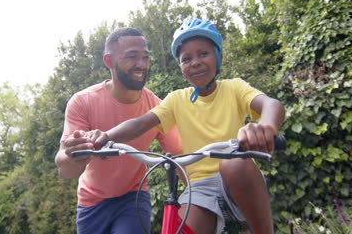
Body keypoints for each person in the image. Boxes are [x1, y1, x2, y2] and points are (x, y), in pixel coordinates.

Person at [85, 18, 285, 234]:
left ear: (219, 58)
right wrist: (106, 136)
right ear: (180, 67)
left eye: (203, 54)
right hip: (199, 189)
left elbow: (272, 105)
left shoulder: (234, 88)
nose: (195, 62)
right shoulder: (176, 99)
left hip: (239, 180)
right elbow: (140, 123)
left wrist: (265, 127)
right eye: (186, 58)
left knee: (233, 163)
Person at [54, 27, 182, 234]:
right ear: (109, 61)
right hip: (91, 202)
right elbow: (66, 170)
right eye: (132, 57)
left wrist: (199, 196)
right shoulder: (82, 102)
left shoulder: (158, 109)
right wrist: (71, 155)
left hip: (133, 197)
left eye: (145, 57)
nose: (141, 64)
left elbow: (180, 159)